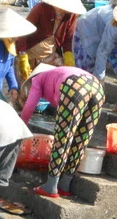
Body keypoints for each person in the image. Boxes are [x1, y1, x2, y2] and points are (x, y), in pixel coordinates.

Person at [20, 64, 105, 198]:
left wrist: (20, 129)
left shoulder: (37, 79)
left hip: (74, 86)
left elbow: (29, 107)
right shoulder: (57, 73)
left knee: (63, 136)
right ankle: (65, 184)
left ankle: (51, 186)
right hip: (97, 87)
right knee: (82, 137)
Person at [16, 0, 86, 82]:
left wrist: (68, 56)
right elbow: (24, 31)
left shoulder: (71, 15)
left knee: (61, 78)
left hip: (50, 54)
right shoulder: (40, 9)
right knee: (26, 84)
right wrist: (22, 55)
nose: (64, 11)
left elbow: (68, 39)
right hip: (30, 52)